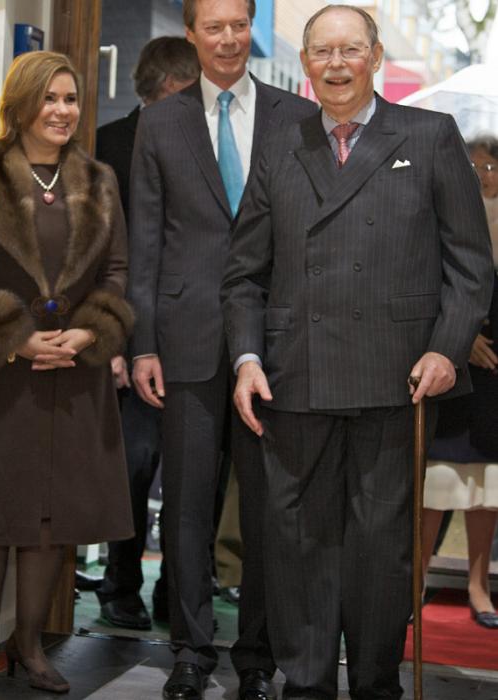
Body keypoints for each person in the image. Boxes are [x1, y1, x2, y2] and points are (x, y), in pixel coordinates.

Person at [221, 5, 494, 699]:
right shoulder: (279, 143)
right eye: (322, 52)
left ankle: (376, 684)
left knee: (380, 551)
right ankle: (306, 684)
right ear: (305, 64)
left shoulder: (430, 137)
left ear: (374, 57)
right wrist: (247, 359)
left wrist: (447, 349)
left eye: (350, 50)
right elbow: (244, 273)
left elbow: (470, 265)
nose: (336, 64)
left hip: (395, 379)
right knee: (296, 546)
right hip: (294, 378)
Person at [128, 1, 316, 698]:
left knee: (270, 508)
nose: (230, 38)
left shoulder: (296, 118)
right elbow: (146, 240)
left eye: (240, 25)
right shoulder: (161, 121)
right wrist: (142, 342)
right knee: (184, 506)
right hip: (186, 341)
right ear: (192, 35)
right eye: (215, 27)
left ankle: (259, 656)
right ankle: (189, 651)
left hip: (274, 345)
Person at [0, 50, 134, 695]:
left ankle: (28, 643)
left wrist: (90, 331)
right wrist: (17, 339)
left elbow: (117, 274)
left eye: (72, 99)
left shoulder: (100, 179)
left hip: (76, 371)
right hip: (0, 373)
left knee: (56, 516)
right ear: (22, 104)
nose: (63, 111)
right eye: (51, 98)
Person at [95, 35, 200, 632]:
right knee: (132, 465)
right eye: (184, 93)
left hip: (195, 334)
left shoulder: (210, 142)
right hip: (130, 332)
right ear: (158, 90)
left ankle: (182, 591)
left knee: (196, 473)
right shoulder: (109, 145)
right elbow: (103, 251)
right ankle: (121, 583)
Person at [421, 136, 498, 630]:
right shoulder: (441, 218)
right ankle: (415, 578)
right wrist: (462, 337)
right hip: (452, 362)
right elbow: (432, 285)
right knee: (437, 481)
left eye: (490, 166)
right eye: (472, 167)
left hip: (496, 378)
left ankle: (478, 584)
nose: (483, 174)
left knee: (487, 488)